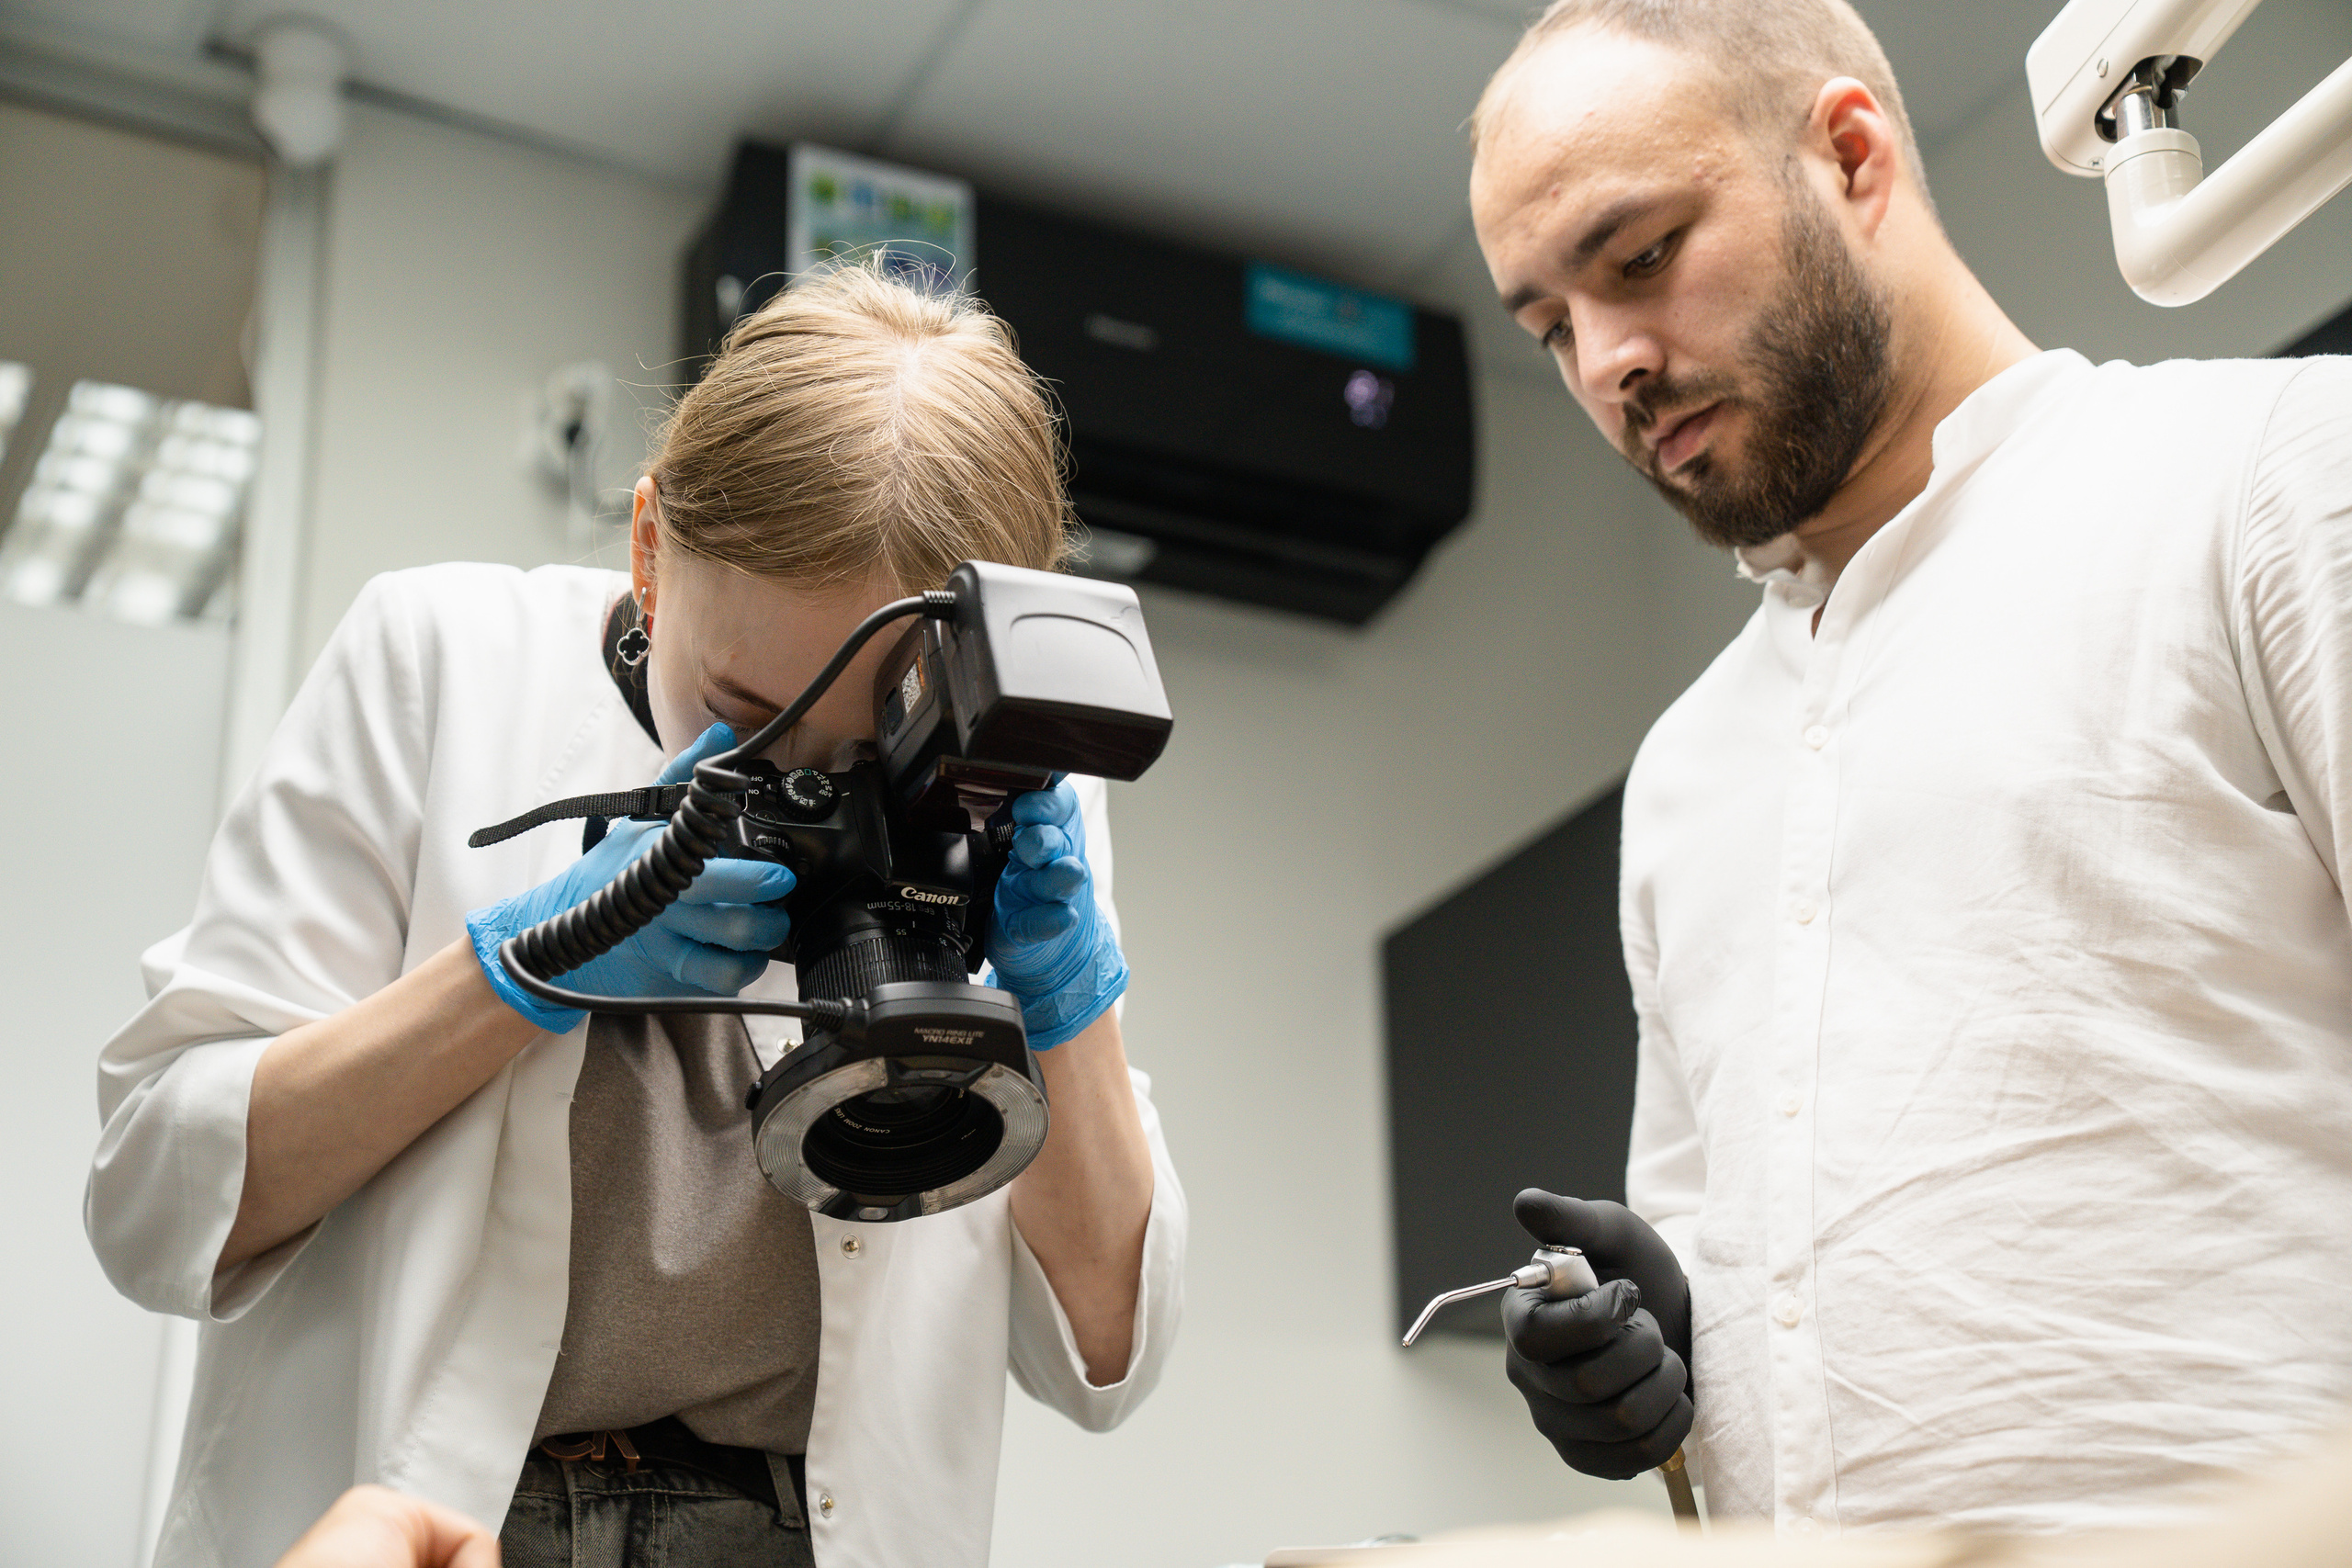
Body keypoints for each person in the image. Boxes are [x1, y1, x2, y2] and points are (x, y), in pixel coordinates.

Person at [87, 261, 1185, 1568]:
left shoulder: (1006, 786)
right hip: (446, 1529)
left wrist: (1070, 1010)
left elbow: (1106, 1359)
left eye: (863, 756)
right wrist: (522, 970)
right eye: (745, 717)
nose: (803, 787)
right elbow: (158, 1202)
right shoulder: (442, 660)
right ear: (651, 551)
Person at [1462, 0, 2352, 1537]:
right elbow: (1716, 1273)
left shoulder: (2263, 480)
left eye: (1642, 256)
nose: (1610, 362)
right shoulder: (1686, 774)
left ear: (1853, 159)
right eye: (1549, 328)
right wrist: (1647, 1364)